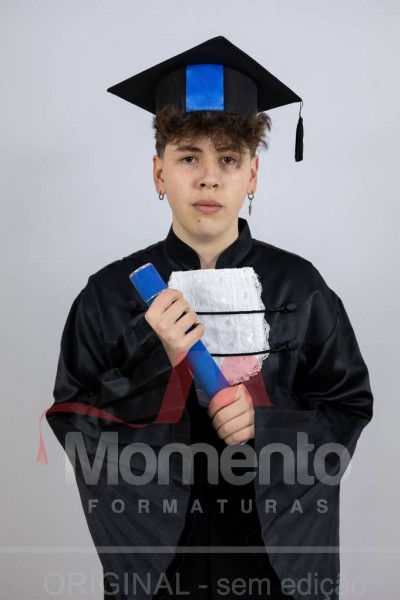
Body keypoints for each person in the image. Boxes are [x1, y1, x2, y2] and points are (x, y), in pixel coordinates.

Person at [45, 37, 373, 600]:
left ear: (253, 175)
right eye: (188, 157)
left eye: (229, 159)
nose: (208, 178)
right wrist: (156, 363)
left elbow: (347, 408)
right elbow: (75, 423)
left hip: (275, 558)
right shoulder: (109, 295)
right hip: (160, 559)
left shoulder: (301, 287)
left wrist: (267, 424)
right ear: (159, 173)